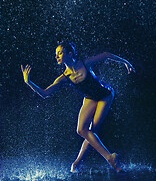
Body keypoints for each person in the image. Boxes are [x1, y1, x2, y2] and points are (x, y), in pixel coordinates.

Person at [21, 42, 135, 173]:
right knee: (82, 130)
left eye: (60, 53)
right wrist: (28, 82)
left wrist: (126, 62)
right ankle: (95, 160)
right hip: (90, 98)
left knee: (93, 130)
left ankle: (102, 160)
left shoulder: (85, 63)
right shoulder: (64, 77)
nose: (56, 56)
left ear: (70, 54)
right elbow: (45, 93)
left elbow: (106, 55)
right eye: (56, 54)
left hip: (105, 95)